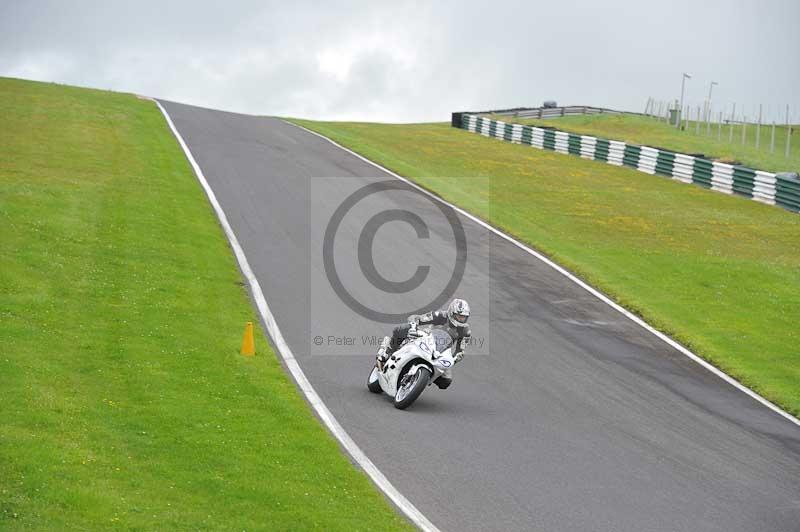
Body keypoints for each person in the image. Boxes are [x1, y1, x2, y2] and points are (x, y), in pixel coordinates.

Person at [377, 299, 471, 385]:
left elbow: (460, 351)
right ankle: (387, 352)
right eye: (459, 316)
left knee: (446, 381)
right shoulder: (440, 315)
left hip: (441, 351)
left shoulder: (465, 331)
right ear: (451, 312)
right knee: (401, 329)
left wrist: (455, 359)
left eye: (464, 317)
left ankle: (421, 380)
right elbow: (417, 318)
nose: (461, 319)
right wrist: (413, 327)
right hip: (427, 338)